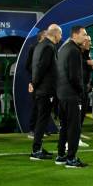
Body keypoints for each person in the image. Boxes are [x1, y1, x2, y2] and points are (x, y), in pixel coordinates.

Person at [56, 26, 88, 168]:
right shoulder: (74, 51)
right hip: (71, 95)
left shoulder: (63, 49)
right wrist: (81, 91)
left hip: (61, 94)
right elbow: (74, 76)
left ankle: (61, 155)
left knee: (64, 127)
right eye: (84, 34)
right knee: (74, 128)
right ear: (75, 35)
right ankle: (71, 158)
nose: (86, 37)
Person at [29, 24, 61, 161]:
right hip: (45, 89)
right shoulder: (49, 47)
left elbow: (36, 67)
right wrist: (35, 83)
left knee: (41, 119)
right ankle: (36, 150)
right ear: (55, 34)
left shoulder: (40, 45)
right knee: (42, 120)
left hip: (40, 89)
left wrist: (33, 83)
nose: (61, 37)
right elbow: (42, 67)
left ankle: (38, 148)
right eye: (60, 34)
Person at [26, 30, 47, 139]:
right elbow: (28, 65)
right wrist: (35, 77)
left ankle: (41, 129)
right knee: (36, 106)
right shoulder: (33, 47)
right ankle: (32, 130)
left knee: (44, 107)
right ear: (41, 37)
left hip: (46, 83)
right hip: (36, 82)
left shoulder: (49, 47)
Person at [78, 36, 93, 147]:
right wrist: (87, 63)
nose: (90, 42)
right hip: (77, 86)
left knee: (83, 111)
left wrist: (91, 66)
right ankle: (73, 138)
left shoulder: (87, 52)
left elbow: (87, 67)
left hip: (84, 85)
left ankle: (78, 133)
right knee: (77, 113)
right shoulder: (76, 50)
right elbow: (76, 63)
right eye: (88, 41)